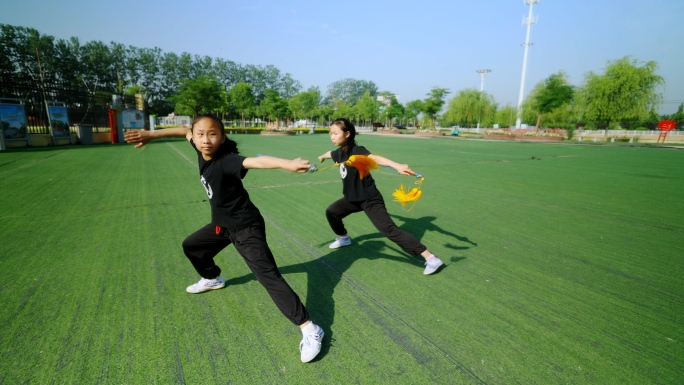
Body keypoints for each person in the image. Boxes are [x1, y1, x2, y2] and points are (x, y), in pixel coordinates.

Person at [124, 114, 324, 363]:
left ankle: (310, 329)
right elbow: (183, 130)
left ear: (222, 137)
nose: (205, 140)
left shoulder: (226, 161)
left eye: (212, 134)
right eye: (200, 134)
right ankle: (212, 278)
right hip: (222, 225)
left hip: (246, 227)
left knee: (268, 277)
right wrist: (151, 135)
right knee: (192, 246)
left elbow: (254, 162)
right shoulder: (199, 147)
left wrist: (287, 164)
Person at [317, 118, 444, 275]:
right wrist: (322, 157)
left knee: (388, 229)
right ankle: (344, 238)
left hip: (369, 199)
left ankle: (431, 258)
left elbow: (374, 158)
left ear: (347, 134)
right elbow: (330, 153)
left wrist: (397, 165)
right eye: (330, 133)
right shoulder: (339, 152)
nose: (332, 136)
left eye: (335, 133)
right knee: (332, 212)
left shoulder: (357, 150)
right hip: (352, 198)